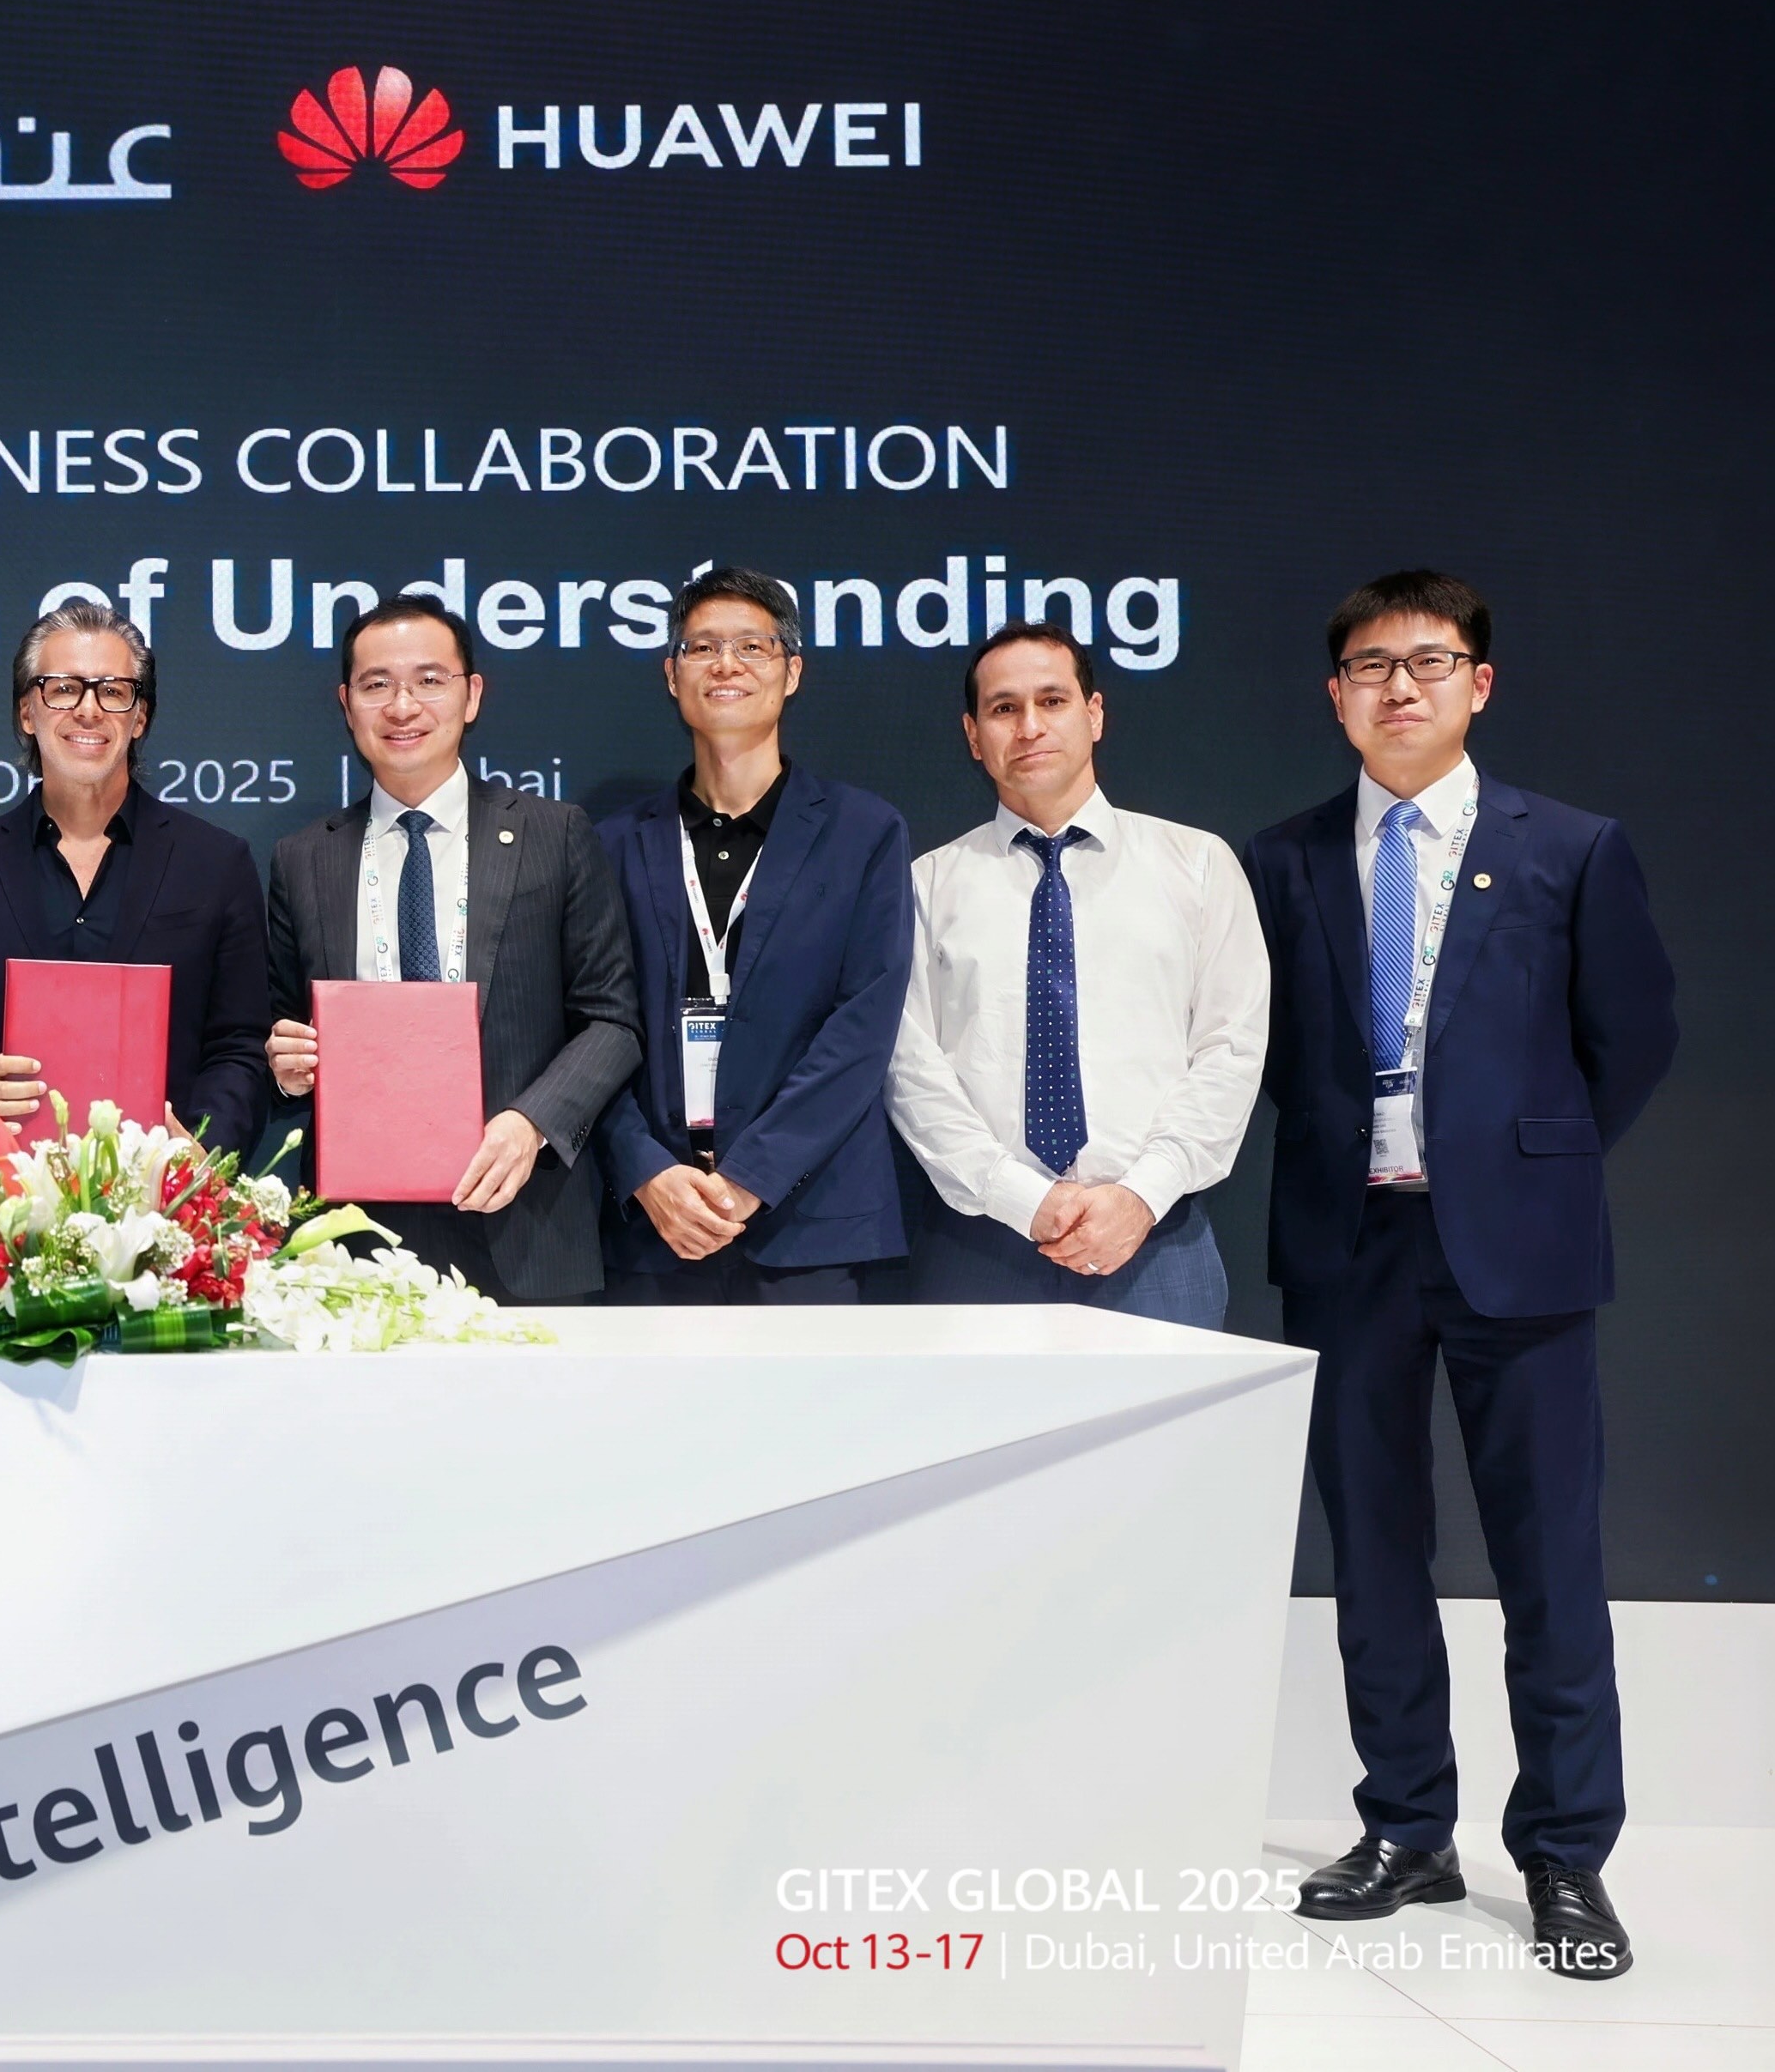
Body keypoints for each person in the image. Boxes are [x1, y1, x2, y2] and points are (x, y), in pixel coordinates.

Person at [1251, 572, 1675, 1978]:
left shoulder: (1570, 846)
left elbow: (1631, 1034)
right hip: (1345, 1244)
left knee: (1546, 1560)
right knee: (1372, 1555)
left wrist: (1524, 1154)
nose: (1398, 687)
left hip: (1517, 1247)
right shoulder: (1282, 859)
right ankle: (1403, 1828)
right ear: (1333, 696)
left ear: (1476, 683)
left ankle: (1563, 1855)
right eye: (1368, 666)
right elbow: (1265, 1049)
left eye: (1426, 661)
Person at [888, 621, 1267, 1322]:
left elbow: (1230, 1051)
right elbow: (910, 1069)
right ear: (973, 736)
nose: (1029, 726)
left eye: (1053, 700)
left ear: (1094, 714)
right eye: (1004, 708)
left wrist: (1141, 1195)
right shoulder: (925, 885)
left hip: (1157, 1240)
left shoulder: (1199, 865)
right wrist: (1021, 1199)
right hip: (980, 1245)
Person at [263, 598, 640, 1300]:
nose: (402, 705)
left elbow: (612, 1020)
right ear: (347, 705)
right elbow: (283, 1028)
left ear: (472, 695)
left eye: (429, 680)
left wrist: (532, 1122)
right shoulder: (302, 859)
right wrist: (285, 1067)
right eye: (376, 684)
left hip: (526, 1221)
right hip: (358, 1238)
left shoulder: (553, 834)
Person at [593, 569, 912, 1302]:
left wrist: (749, 1178)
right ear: (672, 675)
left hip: (809, 1226)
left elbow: (863, 1027)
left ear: (791, 672)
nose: (726, 665)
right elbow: (588, 1029)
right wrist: (645, 1170)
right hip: (654, 1227)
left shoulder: (864, 832)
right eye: (702, 647)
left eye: (752, 646)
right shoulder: (611, 844)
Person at [0, 602, 271, 1156]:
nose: (88, 710)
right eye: (63, 689)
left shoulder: (216, 864)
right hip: (0, 1191)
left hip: (162, 1193)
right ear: (27, 712)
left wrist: (202, 1147)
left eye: (113, 691)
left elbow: (240, 1044)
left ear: (139, 717)